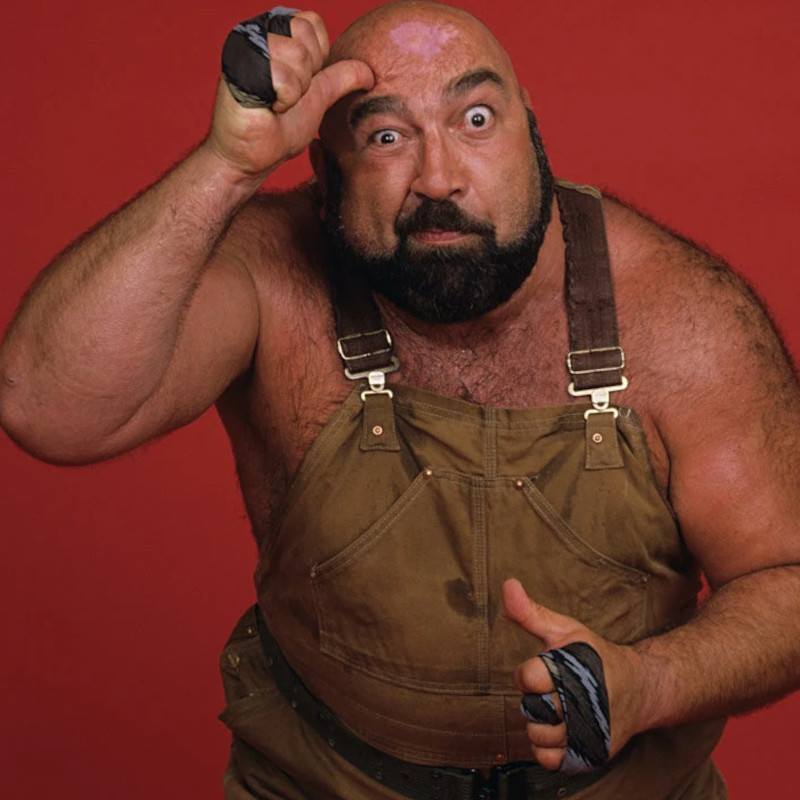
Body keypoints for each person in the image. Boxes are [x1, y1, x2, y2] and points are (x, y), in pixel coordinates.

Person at [1, 1, 799, 798]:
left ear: (532, 131)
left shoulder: (680, 314)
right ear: (323, 173)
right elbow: (47, 407)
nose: (437, 178)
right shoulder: (271, 273)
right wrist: (228, 164)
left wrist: (649, 684)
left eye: (476, 119)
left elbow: (788, 581)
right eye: (386, 137)